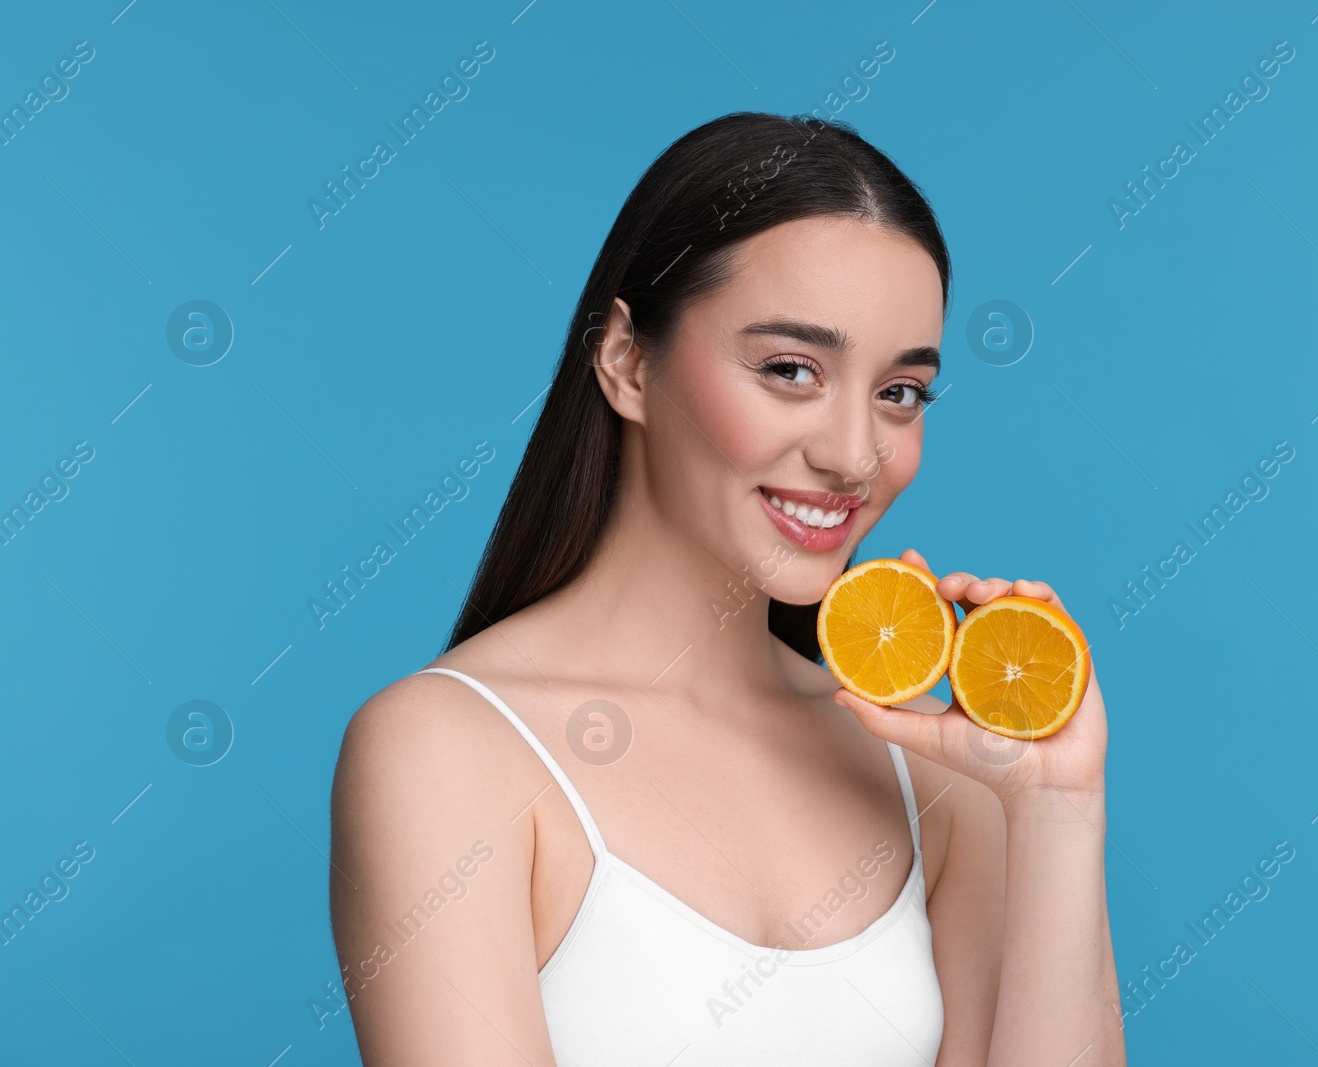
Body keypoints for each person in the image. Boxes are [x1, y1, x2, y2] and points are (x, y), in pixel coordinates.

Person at [329, 111, 1124, 1066]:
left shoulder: (928, 764)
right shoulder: (444, 752)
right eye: (791, 370)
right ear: (626, 359)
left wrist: (1058, 809)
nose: (852, 454)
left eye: (900, 392)